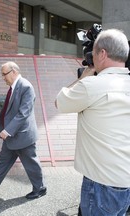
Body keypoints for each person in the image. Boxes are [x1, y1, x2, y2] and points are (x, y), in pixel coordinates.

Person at [55, 29, 130, 215]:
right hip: (125, 181)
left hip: (101, 184)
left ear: (102, 54)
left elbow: (60, 102)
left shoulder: (92, 85)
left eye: (94, 54)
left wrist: (85, 75)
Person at [0, 61, 46, 199]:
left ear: (14, 71)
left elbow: (23, 113)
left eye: (4, 74)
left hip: (23, 136)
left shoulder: (26, 86)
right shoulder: (14, 87)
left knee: (31, 163)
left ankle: (40, 188)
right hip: (12, 136)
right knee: (3, 161)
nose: (3, 78)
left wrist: (7, 130)